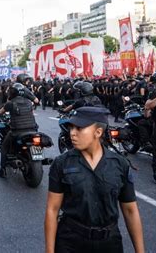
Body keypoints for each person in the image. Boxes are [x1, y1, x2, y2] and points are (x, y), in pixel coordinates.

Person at [45, 106, 144, 253]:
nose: (72, 133)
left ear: (98, 132)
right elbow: (52, 210)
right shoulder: (61, 163)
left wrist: (140, 251)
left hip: (109, 243)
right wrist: (49, 250)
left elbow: (130, 210)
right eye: (71, 127)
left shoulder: (119, 164)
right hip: (70, 241)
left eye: (79, 128)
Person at [0, 83, 38, 178]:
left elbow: (0, 112)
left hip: (17, 131)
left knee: (4, 147)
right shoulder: (29, 102)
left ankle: (2, 170)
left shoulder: (10, 103)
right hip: (33, 129)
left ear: (12, 92)